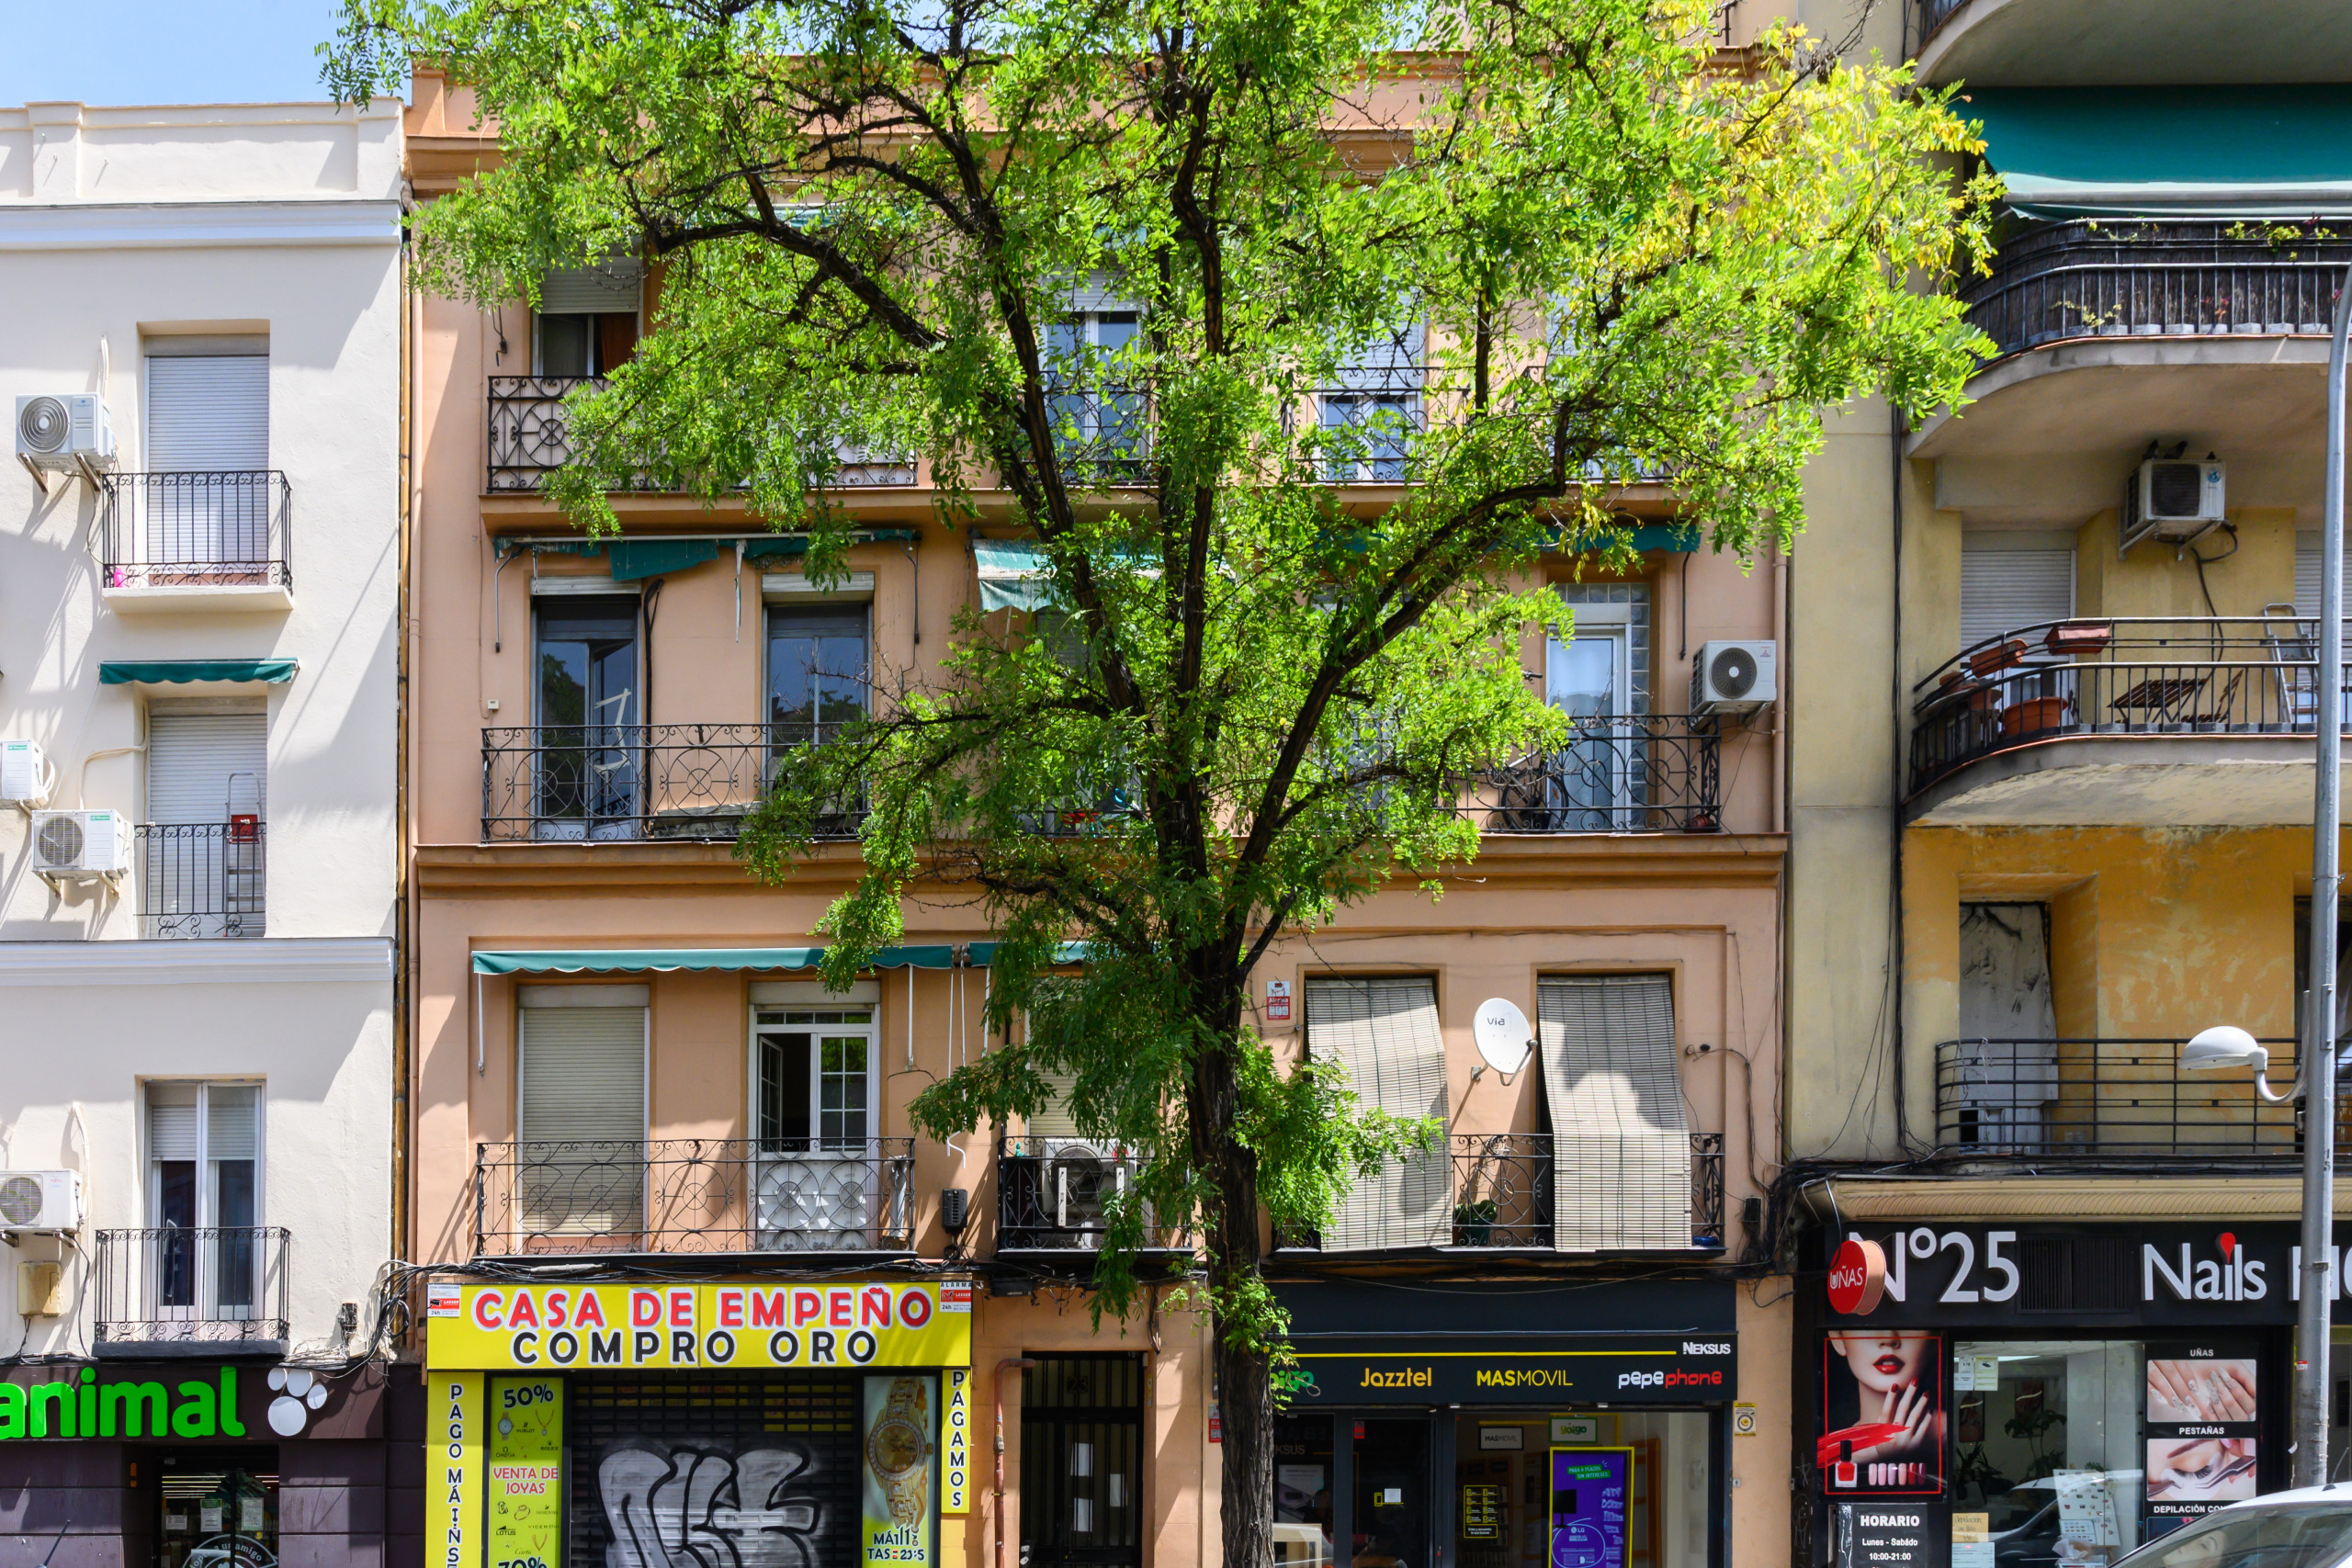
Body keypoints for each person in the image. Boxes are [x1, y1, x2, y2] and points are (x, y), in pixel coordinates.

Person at [1825, 1330, 1942, 1474]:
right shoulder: (1828, 1456)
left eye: (1908, 1322)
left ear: (1935, 1339)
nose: (1888, 1338)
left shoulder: (1953, 1434)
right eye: (1867, 1324)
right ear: (1838, 1340)